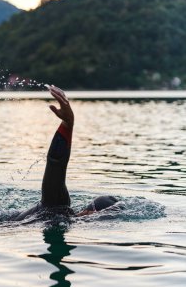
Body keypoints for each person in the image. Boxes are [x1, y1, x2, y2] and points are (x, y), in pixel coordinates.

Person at [13, 85, 118, 221]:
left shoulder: (58, 210)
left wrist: (68, 124)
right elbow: (55, 162)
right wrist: (68, 124)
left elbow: (55, 162)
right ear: (92, 214)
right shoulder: (59, 207)